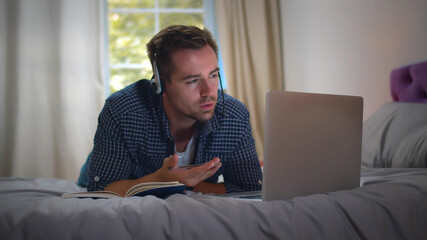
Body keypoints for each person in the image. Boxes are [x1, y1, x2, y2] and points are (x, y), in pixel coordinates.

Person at [87, 25, 262, 196]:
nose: (209, 92)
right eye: (193, 80)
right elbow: (100, 189)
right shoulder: (122, 111)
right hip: (122, 164)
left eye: (213, 75)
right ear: (161, 84)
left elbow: (250, 188)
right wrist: (159, 180)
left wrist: (184, 185)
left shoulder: (234, 116)